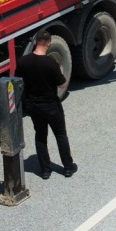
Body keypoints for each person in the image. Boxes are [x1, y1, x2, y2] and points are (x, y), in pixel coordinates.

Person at [17, 31, 76, 180]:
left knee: (41, 136)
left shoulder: (23, 61)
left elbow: (17, 80)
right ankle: (68, 167)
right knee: (61, 135)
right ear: (48, 43)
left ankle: (45, 170)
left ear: (36, 42)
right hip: (51, 106)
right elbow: (62, 85)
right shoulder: (51, 63)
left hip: (34, 106)